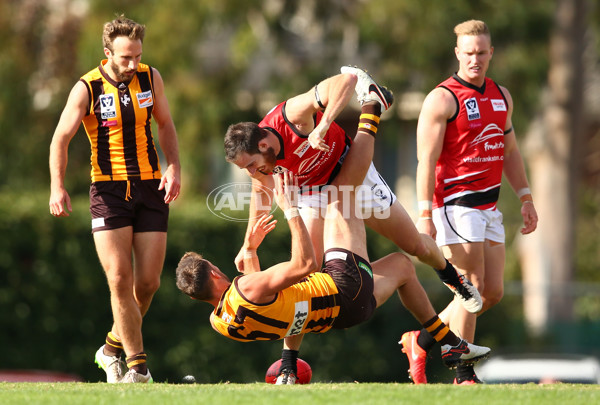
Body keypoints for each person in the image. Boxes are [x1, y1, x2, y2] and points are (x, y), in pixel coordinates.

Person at [176, 106, 491, 384]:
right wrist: (289, 210)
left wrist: (252, 248)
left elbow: (278, 296)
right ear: (216, 274)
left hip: (346, 315)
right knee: (340, 193)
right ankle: (373, 109)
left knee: (403, 266)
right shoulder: (247, 288)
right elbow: (301, 268)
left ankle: (448, 341)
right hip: (345, 285)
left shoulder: (220, 323)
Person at [400, 19, 538, 385]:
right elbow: (425, 161)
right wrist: (423, 214)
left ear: (491, 53)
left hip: (490, 207)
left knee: (491, 292)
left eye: (481, 52)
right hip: (455, 205)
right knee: (471, 287)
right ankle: (464, 373)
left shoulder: (501, 95)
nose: (475, 59)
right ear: (457, 53)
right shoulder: (442, 98)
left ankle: (422, 339)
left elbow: (509, 151)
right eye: (468, 53)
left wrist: (525, 196)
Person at [49, 15, 181, 384]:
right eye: (125, 57)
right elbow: (61, 138)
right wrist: (56, 186)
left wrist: (174, 168)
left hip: (151, 187)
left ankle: (109, 348)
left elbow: (166, 124)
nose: (133, 64)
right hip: (108, 191)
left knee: (148, 284)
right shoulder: (86, 88)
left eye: (137, 55)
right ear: (107, 53)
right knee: (120, 278)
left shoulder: (150, 77)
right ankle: (138, 369)